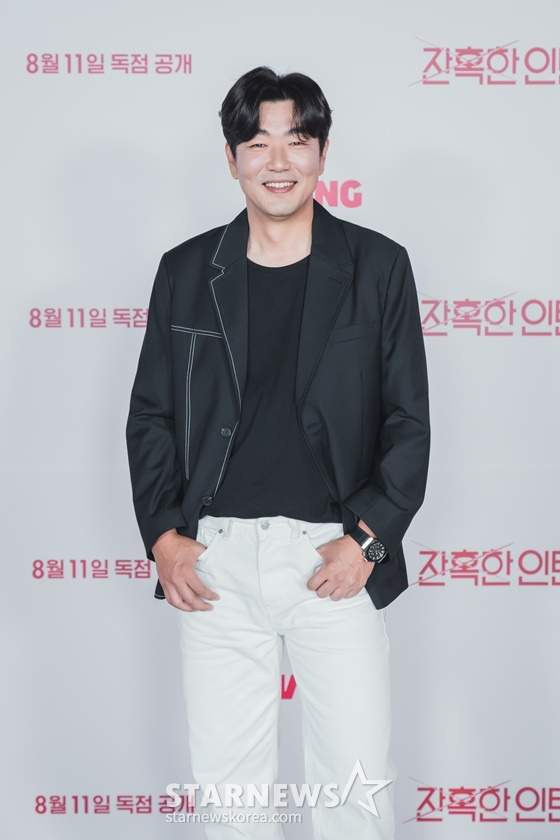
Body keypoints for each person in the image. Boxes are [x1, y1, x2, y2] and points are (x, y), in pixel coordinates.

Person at [126, 65, 430, 840]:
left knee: (354, 794)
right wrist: (164, 537)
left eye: (296, 139)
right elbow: (151, 415)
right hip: (216, 564)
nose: (278, 160)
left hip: (335, 558)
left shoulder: (377, 266)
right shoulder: (186, 271)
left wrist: (367, 543)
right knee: (231, 804)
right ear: (231, 158)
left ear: (322, 153)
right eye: (258, 142)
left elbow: (408, 422)